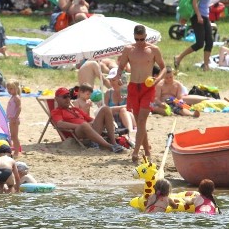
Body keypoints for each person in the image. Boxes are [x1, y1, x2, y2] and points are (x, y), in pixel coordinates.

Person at [117, 25, 166, 162]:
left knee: (142, 120)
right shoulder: (128, 49)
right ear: (134, 37)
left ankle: (136, 152)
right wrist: (119, 76)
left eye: (142, 39)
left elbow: (164, 68)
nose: (140, 42)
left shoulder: (153, 49)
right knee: (140, 124)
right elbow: (121, 67)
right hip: (133, 87)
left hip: (148, 87)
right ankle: (148, 151)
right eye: (137, 39)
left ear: (146, 36)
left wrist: (158, 79)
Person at [51, 87, 124, 153]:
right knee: (84, 125)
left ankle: (114, 143)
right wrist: (79, 126)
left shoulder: (75, 109)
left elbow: (91, 119)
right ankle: (110, 146)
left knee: (106, 109)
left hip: (89, 129)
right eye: (64, 97)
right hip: (77, 133)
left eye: (68, 96)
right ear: (57, 99)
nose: (67, 99)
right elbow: (59, 124)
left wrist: (92, 124)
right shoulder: (56, 111)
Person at [174, 0, 216, 71]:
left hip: (205, 17)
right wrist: (198, 16)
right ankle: (179, 57)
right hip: (198, 17)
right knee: (200, 43)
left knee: (209, 41)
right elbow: (194, 3)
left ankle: (206, 66)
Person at [104, 68, 137, 137]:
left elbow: (130, 107)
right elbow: (105, 110)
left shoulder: (128, 91)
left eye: (113, 80)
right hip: (114, 121)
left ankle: (130, 132)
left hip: (129, 118)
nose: (111, 82)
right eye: (110, 80)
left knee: (123, 110)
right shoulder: (108, 93)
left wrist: (112, 109)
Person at [6, 79, 22, 157]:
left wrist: (15, 117)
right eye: (8, 89)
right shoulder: (13, 97)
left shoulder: (16, 97)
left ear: (16, 88)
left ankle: (17, 152)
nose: (9, 90)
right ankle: (16, 150)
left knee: (15, 136)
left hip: (14, 119)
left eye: (11, 89)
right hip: (11, 118)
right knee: (13, 136)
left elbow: (19, 108)